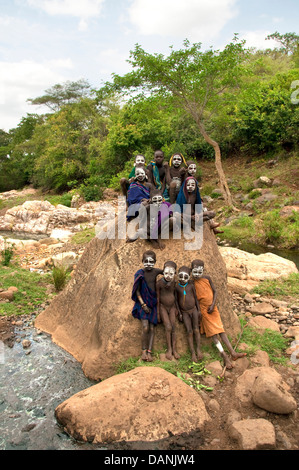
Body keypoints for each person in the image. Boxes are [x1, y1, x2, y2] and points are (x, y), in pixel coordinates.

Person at [191, 259, 246, 369]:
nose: (197, 275)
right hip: (204, 311)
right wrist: (199, 311)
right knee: (213, 334)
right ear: (191, 271)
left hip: (213, 308)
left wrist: (213, 304)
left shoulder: (207, 278)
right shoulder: (193, 283)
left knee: (221, 330)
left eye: (199, 272)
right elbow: (196, 300)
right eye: (194, 272)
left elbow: (215, 291)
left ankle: (232, 352)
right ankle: (224, 355)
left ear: (203, 270)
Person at [131, 250, 163, 362]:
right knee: (145, 327)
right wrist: (143, 304)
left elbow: (167, 272)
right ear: (142, 261)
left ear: (155, 262)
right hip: (143, 303)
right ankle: (143, 351)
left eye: (151, 262)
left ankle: (150, 352)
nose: (149, 264)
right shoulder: (139, 274)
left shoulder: (156, 271)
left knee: (152, 328)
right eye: (146, 261)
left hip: (153, 302)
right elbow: (137, 291)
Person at [176, 266, 203, 363]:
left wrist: (199, 310)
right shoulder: (177, 287)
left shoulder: (191, 285)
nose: (182, 279)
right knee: (189, 331)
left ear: (189, 277)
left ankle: (198, 350)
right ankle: (192, 353)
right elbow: (176, 301)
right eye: (180, 276)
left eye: (185, 277)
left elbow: (195, 298)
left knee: (196, 329)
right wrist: (179, 313)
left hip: (194, 310)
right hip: (184, 313)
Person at [156, 261, 180, 360]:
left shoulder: (174, 283)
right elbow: (157, 298)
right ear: (163, 272)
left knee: (173, 327)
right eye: (166, 273)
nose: (168, 276)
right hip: (163, 307)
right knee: (168, 327)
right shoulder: (159, 283)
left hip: (172, 307)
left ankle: (174, 349)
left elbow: (176, 296)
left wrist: (177, 309)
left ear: (175, 274)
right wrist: (157, 313)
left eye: (171, 274)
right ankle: (169, 349)